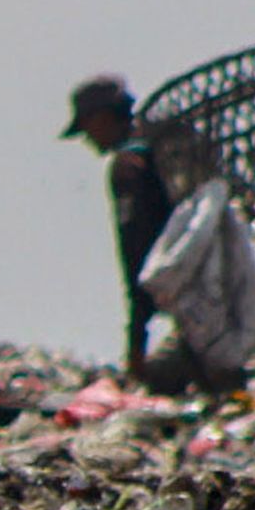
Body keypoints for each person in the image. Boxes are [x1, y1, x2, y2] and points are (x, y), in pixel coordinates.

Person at [62, 76, 178, 378]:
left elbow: (136, 250)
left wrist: (136, 343)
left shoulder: (128, 168)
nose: (88, 139)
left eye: (86, 127)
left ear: (101, 118)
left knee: (162, 381)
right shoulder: (163, 150)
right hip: (215, 292)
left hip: (189, 295)